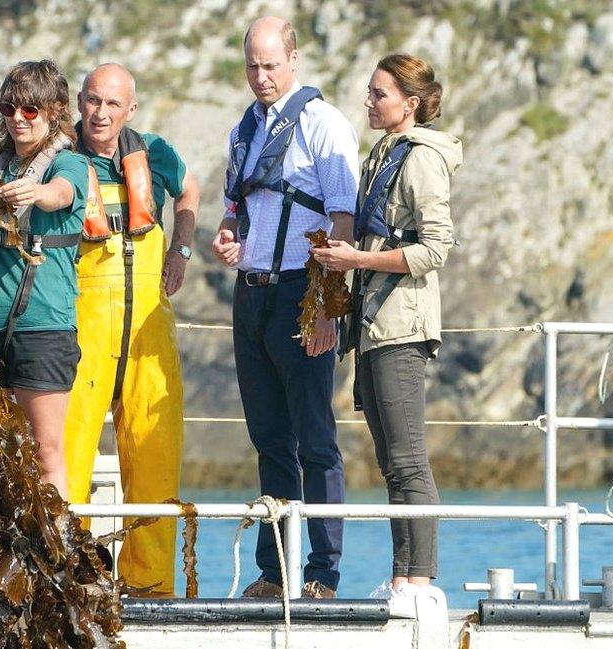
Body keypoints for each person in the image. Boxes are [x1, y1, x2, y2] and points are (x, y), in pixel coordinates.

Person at [212, 16, 359, 599]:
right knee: (269, 438)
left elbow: (342, 221)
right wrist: (228, 235)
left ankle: (323, 573)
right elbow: (235, 208)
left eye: (271, 65)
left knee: (314, 437)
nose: (261, 76)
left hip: (304, 288)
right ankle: (274, 572)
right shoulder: (245, 128)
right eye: (252, 65)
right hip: (251, 292)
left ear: (294, 60)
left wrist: (328, 308)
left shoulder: (325, 126)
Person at [313, 53, 462, 614]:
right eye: (370, 93)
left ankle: (420, 579)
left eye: (380, 94)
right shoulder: (382, 154)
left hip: (402, 324)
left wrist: (358, 258)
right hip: (375, 323)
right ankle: (402, 579)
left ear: (411, 101)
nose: (370, 102)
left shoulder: (421, 159)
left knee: (408, 458)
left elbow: (437, 247)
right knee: (391, 460)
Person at [63, 62, 199, 598]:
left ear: (130, 110)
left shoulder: (155, 153)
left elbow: (188, 191)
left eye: (113, 104)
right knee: (68, 458)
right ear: (79, 102)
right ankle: (71, 576)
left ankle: (150, 584)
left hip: (148, 328)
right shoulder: (61, 158)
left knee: (154, 455)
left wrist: (182, 249)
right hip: (82, 328)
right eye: (93, 101)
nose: (101, 113)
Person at [0, 60, 90, 499]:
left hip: (43, 328)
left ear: (55, 110)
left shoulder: (69, 164)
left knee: (45, 450)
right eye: (10, 107)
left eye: (31, 110)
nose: (18, 118)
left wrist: (38, 193)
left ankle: (55, 554)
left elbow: (63, 191)